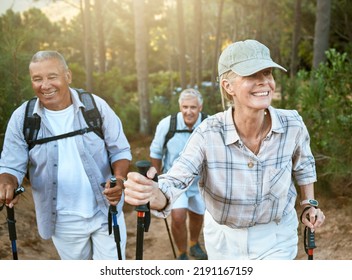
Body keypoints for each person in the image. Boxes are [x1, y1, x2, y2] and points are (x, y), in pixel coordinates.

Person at [123, 39, 325, 260]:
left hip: (276, 235)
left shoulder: (292, 124)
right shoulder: (208, 132)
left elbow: (304, 166)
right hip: (223, 239)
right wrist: (156, 194)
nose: (264, 82)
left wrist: (309, 204)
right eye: (251, 75)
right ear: (228, 86)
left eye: (267, 73)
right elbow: (177, 178)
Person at [0, 51, 132, 260]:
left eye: (52, 77)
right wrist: (7, 182)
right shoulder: (22, 118)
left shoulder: (95, 107)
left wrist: (120, 179)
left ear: (67, 76)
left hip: (106, 211)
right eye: (37, 79)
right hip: (62, 221)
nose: (45, 85)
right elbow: (10, 165)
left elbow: (120, 150)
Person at [150, 88, 207, 260]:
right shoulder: (167, 124)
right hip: (174, 181)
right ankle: (182, 252)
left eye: (193, 107)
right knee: (178, 216)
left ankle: (194, 244)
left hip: (199, 182)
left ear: (200, 107)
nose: (188, 112)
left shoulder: (208, 124)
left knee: (197, 215)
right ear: (180, 107)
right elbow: (156, 152)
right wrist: (156, 179)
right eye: (185, 107)